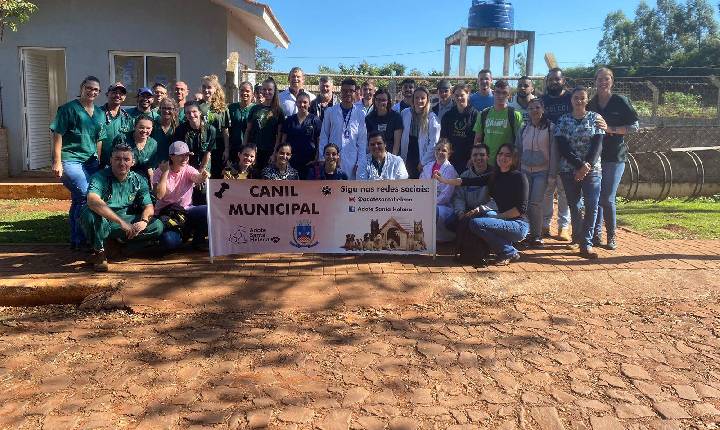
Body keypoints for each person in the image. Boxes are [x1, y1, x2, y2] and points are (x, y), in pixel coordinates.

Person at [434, 143, 529, 266]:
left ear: (514, 158)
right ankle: (499, 248)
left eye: (508, 155)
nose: (503, 157)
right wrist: (445, 180)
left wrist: (496, 217)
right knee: (473, 221)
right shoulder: (495, 175)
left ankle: (508, 251)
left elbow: (521, 209)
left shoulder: (520, 177)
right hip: (500, 219)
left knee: (476, 223)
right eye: (500, 154)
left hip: (517, 225)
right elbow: (466, 181)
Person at [79, 143, 164, 272]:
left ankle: (120, 247)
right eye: (117, 159)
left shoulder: (138, 180)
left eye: (126, 159)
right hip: (104, 219)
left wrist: (144, 221)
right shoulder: (99, 177)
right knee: (88, 213)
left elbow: (149, 206)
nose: (122, 163)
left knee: (157, 226)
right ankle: (99, 253)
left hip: (125, 219)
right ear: (111, 160)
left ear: (133, 162)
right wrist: (121, 223)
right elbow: (92, 201)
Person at [50, 76, 106, 251]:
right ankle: (83, 240)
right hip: (70, 159)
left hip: (90, 161)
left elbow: (99, 139)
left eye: (96, 90)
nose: (92, 92)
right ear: (82, 88)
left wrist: (98, 161)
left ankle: (75, 239)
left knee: (78, 200)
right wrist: (57, 162)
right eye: (89, 88)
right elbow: (57, 134)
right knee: (85, 195)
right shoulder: (67, 109)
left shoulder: (99, 113)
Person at [590, 67, 639, 250]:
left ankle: (611, 236)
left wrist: (610, 129)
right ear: (595, 81)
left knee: (607, 197)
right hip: (595, 156)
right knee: (596, 197)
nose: (603, 82)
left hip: (615, 156)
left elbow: (635, 126)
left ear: (612, 81)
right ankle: (596, 234)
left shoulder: (620, 101)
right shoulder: (592, 104)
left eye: (607, 78)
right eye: (600, 79)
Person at [555, 86, 605, 259]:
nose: (579, 101)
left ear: (587, 99)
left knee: (592, 205)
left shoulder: (595, 118)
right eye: (576, 98)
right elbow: (563, 146)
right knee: (574, 206)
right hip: (569, 170)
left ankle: (587, 243)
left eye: (582, 98)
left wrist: (587, 166)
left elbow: (598, 144)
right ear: (571, 100)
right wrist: (578, 166)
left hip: (593, 170)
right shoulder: (563, 120)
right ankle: (576, 238)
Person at [516, 98, 559, 247]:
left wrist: (552, 175)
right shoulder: (523, 128)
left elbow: (554, 152)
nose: (534, 110)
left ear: (543, 109)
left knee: (535, 203)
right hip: (525, 171)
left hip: (542, 172)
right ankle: (528, 233)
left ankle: (537, 235)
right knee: (526, 203)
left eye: (537, 107)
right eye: (531, 108)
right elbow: (518, 150)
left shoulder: (551, 128)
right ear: (527, 111)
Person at [153, 141, 210, 251]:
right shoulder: (159, 172)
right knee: (168, 243)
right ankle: (183, 233)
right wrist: (165, 172)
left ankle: (198, 241)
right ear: (171, 157)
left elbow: (197, 178)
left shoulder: (188, 169)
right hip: (167, 214)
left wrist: (203, 176)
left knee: (209, 211)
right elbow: (159, 195)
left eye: (187, 155)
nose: (185, 158)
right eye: (181, 155)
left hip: (186, 210)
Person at [541, 68, 573, 241]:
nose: (554, 82)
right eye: (551, 79)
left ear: (563, 80)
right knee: (547, 189)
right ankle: (545, 224)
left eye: (557, 79)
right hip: (546, 149)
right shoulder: (543, 100)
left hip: (567, 150)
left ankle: (563, 227)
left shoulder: (570, 98)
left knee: (564, 191)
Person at [318, 78, 368, 179]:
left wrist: (360, 162)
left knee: (350, 191)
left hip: (352, 161)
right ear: (340, 92)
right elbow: (324, 136)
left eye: (351, 91)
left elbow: (362, 141)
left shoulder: (360, 114)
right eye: (345, 90)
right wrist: (322, 158)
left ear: (355, 93)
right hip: (331, 159)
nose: (348, 93)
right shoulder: (330, 111)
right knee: (332, 189)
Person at [173, 101, 217, 205]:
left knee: (203, 190)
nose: (191, 115)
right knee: (186, 192)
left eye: (194, 111)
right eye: (188, 112)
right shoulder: (181, 130)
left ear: (200, 112)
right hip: (186, 164)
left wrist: (200, 172)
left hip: (204, 164)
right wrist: (190, 173)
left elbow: (208, 153)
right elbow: (179, 154)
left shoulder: (211, 130)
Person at [473, 79, 523, 165]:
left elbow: (520, 142)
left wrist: (517, 161)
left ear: (509, 95)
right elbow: (478, 139)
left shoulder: (515, 115)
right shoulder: (484, 113)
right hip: (486, 164)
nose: (500, 96)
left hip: (506, 165)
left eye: (504, 93)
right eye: (498, 92)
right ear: (493, 93)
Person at [448, 143, 496, 232]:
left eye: (482, 155)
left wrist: (480, 209)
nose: (478, 158)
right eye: (475, 155)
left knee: (489, 218)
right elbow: (459, 197)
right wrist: (461, 212)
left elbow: (496, 202)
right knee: (449, 222)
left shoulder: (495, 175)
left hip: (486, 211)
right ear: (471, 157)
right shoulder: (464, 175)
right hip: (467, 211)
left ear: (488, 157)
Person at [420, 140, 458, 242]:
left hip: (443, 206)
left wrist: (430, 203)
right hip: (425, 202)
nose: (440, 152)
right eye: (438, 149)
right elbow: (420, 186)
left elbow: (446, 196)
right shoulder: (427, 167)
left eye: (444, 150)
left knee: (433, 210)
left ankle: (438, 238)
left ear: (449, 153)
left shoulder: (450, 170)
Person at [400, 87, 440, 179]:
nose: (419, 100)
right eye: (417, 98)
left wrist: (423, 162)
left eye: (422, 98)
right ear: (413, 99)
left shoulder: (432, 118)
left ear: (427, 100)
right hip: (408, 152)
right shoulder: (405, 113)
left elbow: (434, 143)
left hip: (423, 155)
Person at [245, 77, 284, 171]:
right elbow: (248, 130)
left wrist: (275, 153)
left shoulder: (278, 111)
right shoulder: (254, 109)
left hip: (269, 151)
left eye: (270, 89)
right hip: (253, 151)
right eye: (264, 89)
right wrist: (244, 148)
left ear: (274, 91)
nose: (267, 92)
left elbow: (279, 135)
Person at [280, 91, 321, 179]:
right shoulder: (289, 120)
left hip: (309, 161)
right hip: (291, 161)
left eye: (305, 102)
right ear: (296, 103)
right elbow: (283, 141)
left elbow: (319, 141)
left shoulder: (315, 120)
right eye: (299, 102)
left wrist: (316, 158)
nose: (302, 105)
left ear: (309, 104)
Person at [111, 115, 159, 185]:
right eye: (141, 127)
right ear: (135, 127)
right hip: (121, 174)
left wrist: (152, 183)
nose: (145, 131)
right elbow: (114, 162)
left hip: (142, 179)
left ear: (152, 128)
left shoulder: (153, 144)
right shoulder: (122, 138)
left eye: (148, 128)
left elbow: (150, 167)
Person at [441, 83, 478, 173]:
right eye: (456, 95)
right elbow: (444, 139)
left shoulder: (475, 114)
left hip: (468, 160)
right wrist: (446, 157)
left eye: (462, 95)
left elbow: (478, 138)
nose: (459, 98)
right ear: (453, 96)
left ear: (468, 94)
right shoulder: (448, 115)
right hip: (451, 159)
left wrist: (473, 158)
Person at [199, 75, 231, 179]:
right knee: (202, 173)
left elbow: (225, 130)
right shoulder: (197, 105)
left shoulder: (222, 107)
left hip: (218, 145)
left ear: (215, 89)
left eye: (209, 87)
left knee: (216, 175)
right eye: (204, 87)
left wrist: (226, 149)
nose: (206, 90)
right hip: (202, 145)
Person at [99, 82, 133, 167]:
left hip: (120, 164)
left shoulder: (127, 117)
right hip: (100, 163)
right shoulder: (97, 114)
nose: (117, 95)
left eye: (121, 93)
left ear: (124, 98)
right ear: (107, 94)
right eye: (114, 92)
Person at [365, 88, 403, 154]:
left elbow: (397, 144)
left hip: (392, 154)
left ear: (388, 101)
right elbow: (369, 142)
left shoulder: (396, 117)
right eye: (378, 100)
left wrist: (392, 159)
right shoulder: (369, 118)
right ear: (374, 100)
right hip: (375, 154)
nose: (381, 102)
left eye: (384, 100)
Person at [227, 81, 255, 164]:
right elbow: (227, 128)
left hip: (249, 150)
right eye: (242, 90)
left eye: (247, 91)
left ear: (252, 93)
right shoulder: (232, 107)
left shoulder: (256, 109)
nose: (244, 93)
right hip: (234, 147)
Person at [151, 98, 179, 162]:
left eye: (169, 108)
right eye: (163, 108)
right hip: (154, 164)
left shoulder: (178, 127)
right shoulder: (153, 125)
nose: (166, 111)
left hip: (172, 165)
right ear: (159, 109)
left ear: (174, 110)